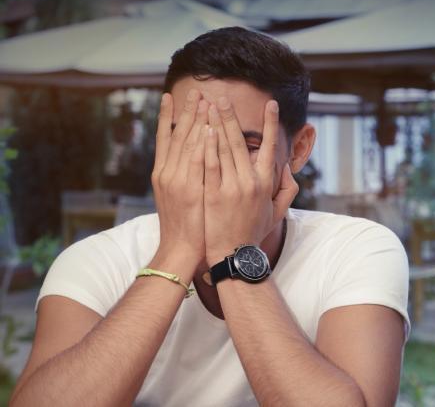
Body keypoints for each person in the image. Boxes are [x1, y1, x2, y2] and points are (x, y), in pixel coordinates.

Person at [10, 27, 409, 407]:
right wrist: (177, 251)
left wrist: (235, 255)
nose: (210, 165)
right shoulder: (98, 260)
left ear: (299, 149)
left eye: (245, 145)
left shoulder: (355, 249)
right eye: (188, 139)